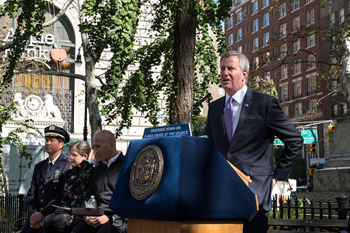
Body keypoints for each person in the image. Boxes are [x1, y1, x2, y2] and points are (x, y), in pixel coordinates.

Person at [204, 51, 303, 233]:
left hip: (253, 194)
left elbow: (295, 140)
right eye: (222, 68)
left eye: (230, 68)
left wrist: (277, 178)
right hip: (221, 195)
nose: (224, 73)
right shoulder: (214, 108)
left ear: (244, 74)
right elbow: (209, 148)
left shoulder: (264, 104)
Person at [72, 130, 127, 233]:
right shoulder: (97, 170)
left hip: (118, 221)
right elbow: (88, 198)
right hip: (95, 219)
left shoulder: (128, 167)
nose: (95, 151)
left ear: (111, 144)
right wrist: (86, 214)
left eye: (98, 146)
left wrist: (111, 218)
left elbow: (132, 202)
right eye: (94, 147)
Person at [21, 125, 71, 233]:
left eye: (52, 141)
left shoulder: (67, 166)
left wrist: (42, 214)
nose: (48, 143)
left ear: (61, 144)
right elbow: (31, 194)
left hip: (52, 218)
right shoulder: (39, 166)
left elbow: (61, 195)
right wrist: (33, 214)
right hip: (35, 218)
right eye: (46, 140)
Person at [43, 141, 94, 233]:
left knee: (59, 222)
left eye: (74, 155)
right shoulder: (70, 173)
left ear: (85, 156)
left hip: (82, 213)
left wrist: (87, 163)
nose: (70, 158)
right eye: (70, 154)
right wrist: (62, 210)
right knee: (47, 220)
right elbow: (65, 196)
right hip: (68, 211)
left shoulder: (90, 172)